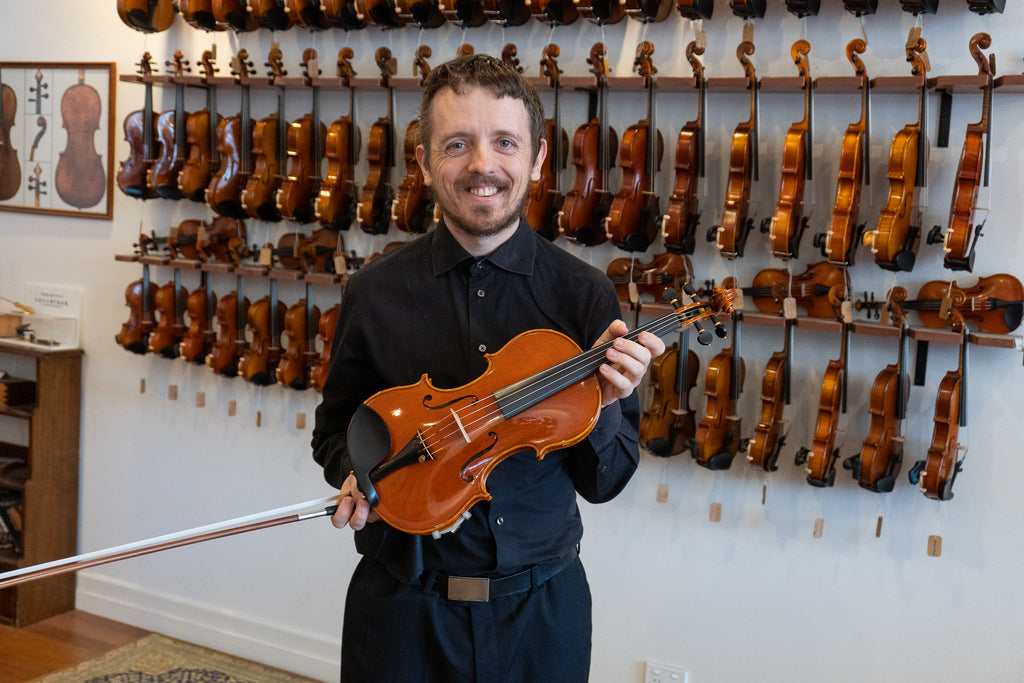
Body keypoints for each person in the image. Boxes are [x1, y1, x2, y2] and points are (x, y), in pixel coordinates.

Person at [311, 53, 665, 682]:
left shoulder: (584, 298)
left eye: (505, 142)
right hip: (400, 616)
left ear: (536, 158)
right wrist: (360, 476)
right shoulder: (375, 292)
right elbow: (337, 430)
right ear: (423, 160)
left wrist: (606, 403)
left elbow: (605, 482)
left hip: (542, 618)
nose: (482, 165)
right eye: (457, 143)